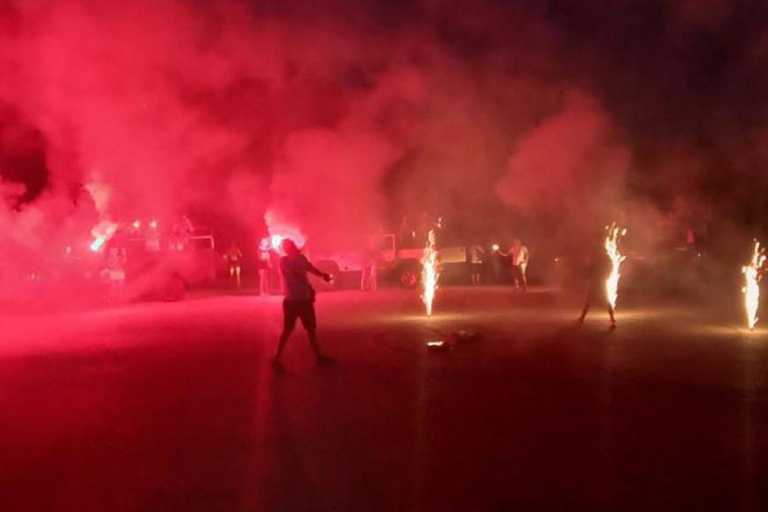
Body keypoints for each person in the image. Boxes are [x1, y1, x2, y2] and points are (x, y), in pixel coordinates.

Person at [273, 238, 334, 370]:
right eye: (290, 245)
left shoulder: (289, 260)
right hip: (299, 300)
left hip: (294, 300)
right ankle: (317, 357)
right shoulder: (292, 260)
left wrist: (322, 275)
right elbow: (304, 271)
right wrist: (319, 277)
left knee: (296, 330)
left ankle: (278, 358)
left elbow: (309, 269)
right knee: (303, 330)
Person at [576, 237, 616, 329]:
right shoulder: (604, 257)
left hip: (597, 281)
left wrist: (604, 276)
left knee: (591, 300)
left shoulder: (598, 257)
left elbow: (591, 269)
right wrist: (606, 276)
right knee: (603, 300)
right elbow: (609, 267)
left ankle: (582, 318)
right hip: (599, 281)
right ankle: (612, 319)